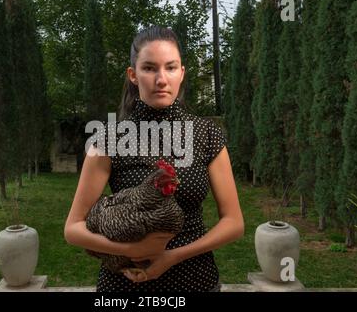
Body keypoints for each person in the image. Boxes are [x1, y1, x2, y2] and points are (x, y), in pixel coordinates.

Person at [64, 26, 244, 292]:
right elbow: (73, 229)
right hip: (124, 285)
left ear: (182, 73)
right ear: (133, 75)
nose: (161, 79)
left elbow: (234, 222)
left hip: (196, 280)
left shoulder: (206, 134)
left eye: (170, 68)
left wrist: (171, 257)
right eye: (149, 68)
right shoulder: (107, 140)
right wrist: (132, 249)